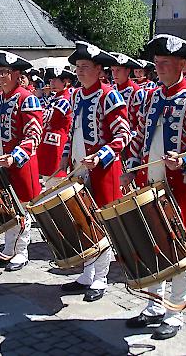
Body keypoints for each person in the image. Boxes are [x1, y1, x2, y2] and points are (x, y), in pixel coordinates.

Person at [122, 34, 186, 340]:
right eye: (157, 62)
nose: (159, 67)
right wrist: (128, 168)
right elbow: (140, 135)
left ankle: (175, 313)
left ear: (183, 64)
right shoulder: (151, 97)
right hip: (151, 182)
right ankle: (154, 305)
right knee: (153, 242)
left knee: (181, 245)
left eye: (165, 62)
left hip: (184, 185)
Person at [59, 41, 131, 302]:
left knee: (100, 222)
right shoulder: (77, 95)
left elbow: (124, 134)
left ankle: (101, 278)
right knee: (82, 220)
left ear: (100, 69)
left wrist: (100, 156)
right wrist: (66, 156)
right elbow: (73, 130)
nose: (79, 71)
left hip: (103, 170)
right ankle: (86, 274)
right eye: (78, 67)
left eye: (85, 67)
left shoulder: (109, 95)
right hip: (79, 167)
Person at [0, 50, 43, 272]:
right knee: (5, 207)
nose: (0, 76)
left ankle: (21, 252)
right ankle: (8, 249)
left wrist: (15, 157)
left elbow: (34, 135)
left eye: (5, 72)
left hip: (20, 165)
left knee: (21, 209)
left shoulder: (27, 98)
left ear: (17, 74)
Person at [38, 65, 74, 188]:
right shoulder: (55, 97)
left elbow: (47, 117)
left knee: (56, 182)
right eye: (50, 80)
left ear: (65, 82)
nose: (51, 82)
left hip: (58, 144)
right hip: (49, 144)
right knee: (48, 180)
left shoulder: (65, 99)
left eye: (55, 80)